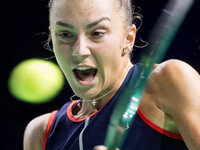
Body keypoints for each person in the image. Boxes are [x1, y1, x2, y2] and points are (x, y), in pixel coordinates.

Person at [23, 0, 200, 149]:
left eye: (97, 33)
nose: (80, 50)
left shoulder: (170, 81)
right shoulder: (41, 134)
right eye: (65, 34)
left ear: (128, 39)